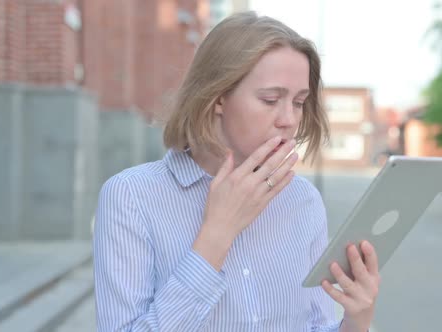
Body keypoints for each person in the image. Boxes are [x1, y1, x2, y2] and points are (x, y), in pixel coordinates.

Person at [94, 11, 380, 332]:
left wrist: (356, 321)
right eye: (270, 99)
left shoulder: (304, 200)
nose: (289, 119)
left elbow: (316, 325)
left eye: (299, 102)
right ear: (219, 97)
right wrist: (217, 234)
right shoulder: (132, 196)